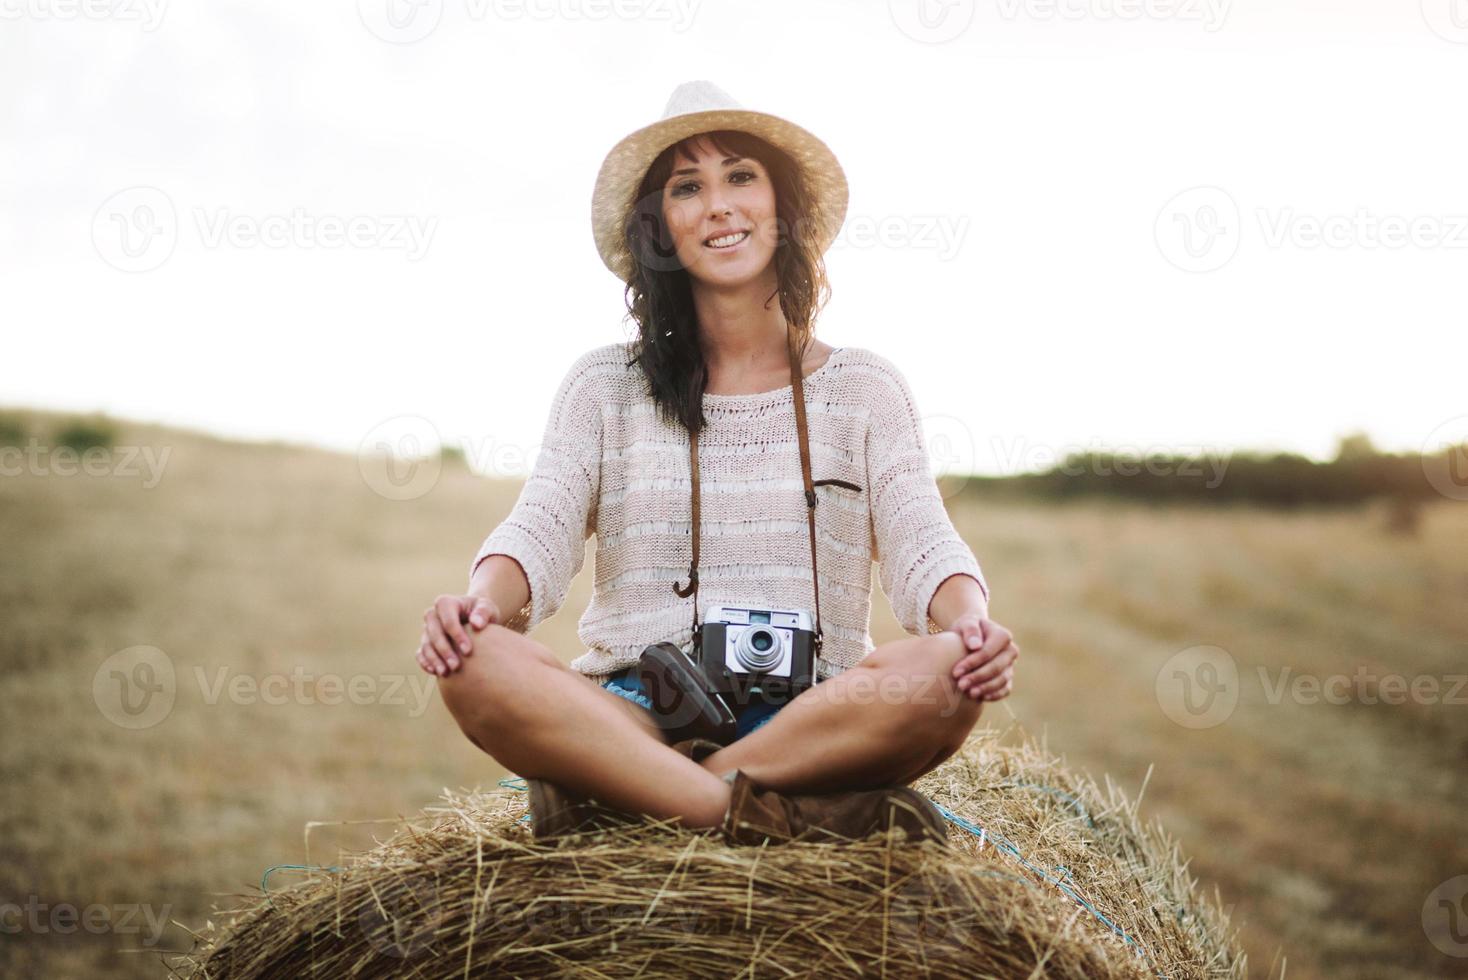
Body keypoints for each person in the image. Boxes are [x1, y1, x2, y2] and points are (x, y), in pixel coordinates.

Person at [416, 81, 1020, 845]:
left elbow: (921, 538)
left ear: (782, 206)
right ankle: (749, 814)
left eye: (741, 176)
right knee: (474, 663)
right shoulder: (605, 385)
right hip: (634, 711)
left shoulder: (864, 387)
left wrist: (972, 626)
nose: (719, 205)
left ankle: (639, 801)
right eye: (687, 188)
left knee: (943, 676)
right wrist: (475, 606)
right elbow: (540, 525)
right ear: (660, 227)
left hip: (814, 716)